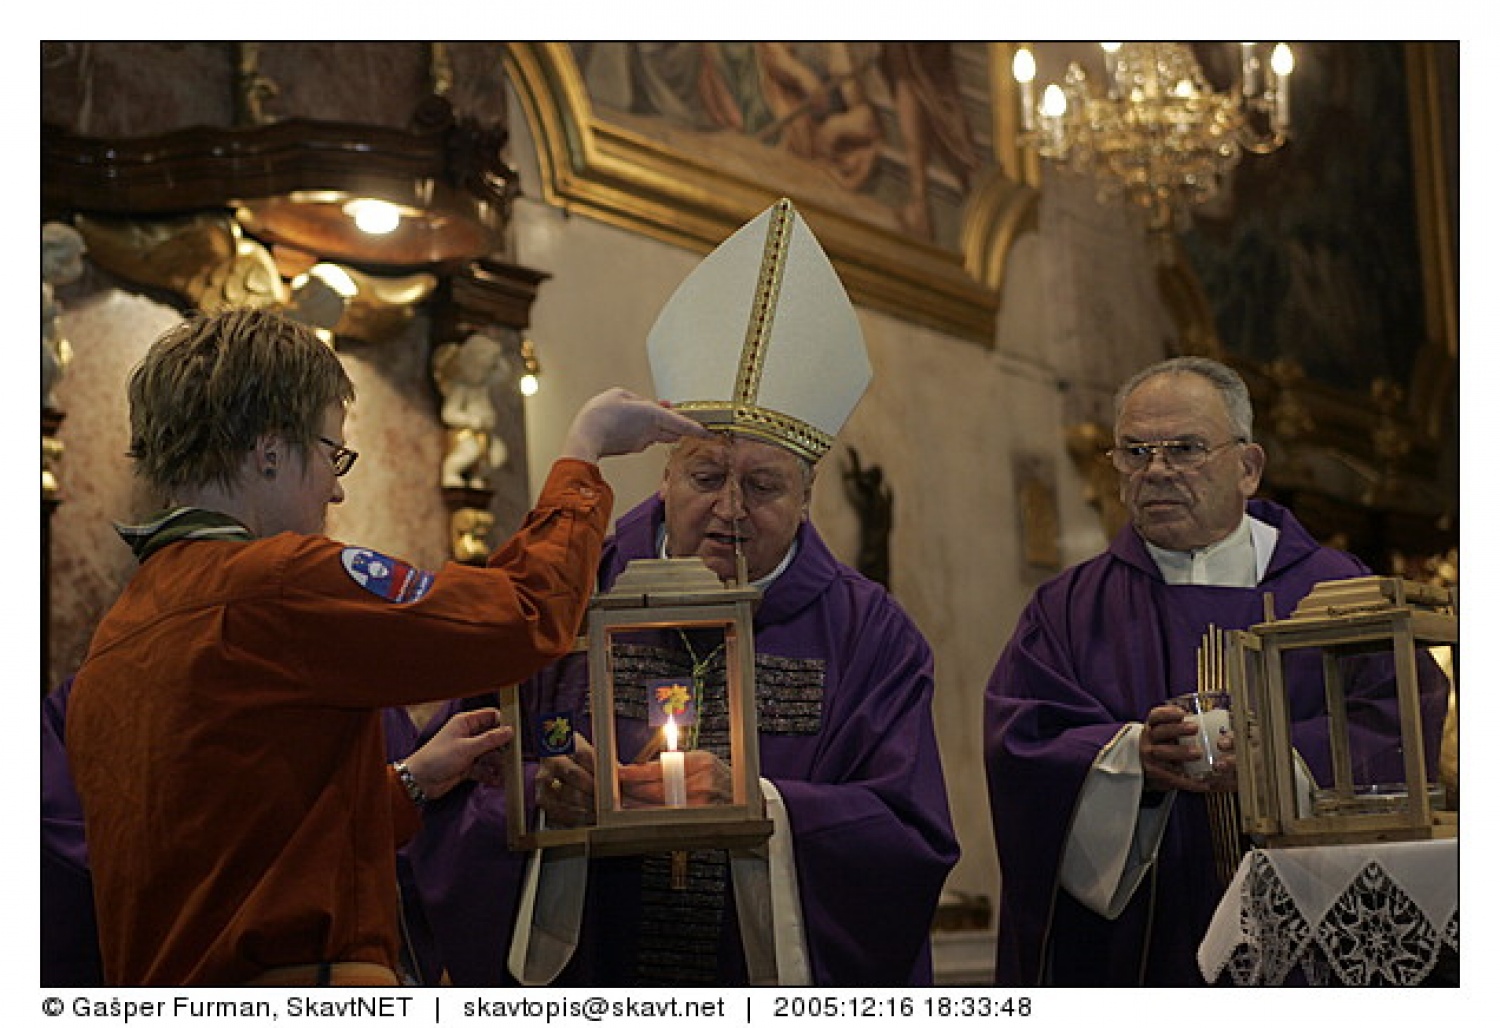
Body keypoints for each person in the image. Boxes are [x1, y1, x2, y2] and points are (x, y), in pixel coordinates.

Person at [62, 305, 706, 986]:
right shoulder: (276, 583)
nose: (336, 487)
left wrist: (414, 781)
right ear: (271, 450)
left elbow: (239, 847)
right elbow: (523, 615)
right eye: (330, 453)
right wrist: (583, 451)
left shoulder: (114, 639)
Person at [406, 199, 957, 987]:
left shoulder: (870, 635)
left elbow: (908, 838)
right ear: (664, 477)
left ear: (809, 494)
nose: (730, 509)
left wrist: (759, 802)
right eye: (705, 476)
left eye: (763, 485)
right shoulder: (564, 588)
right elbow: (456, 774)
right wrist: (546, 797)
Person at [982, 355, 1449, 986]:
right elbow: (1023, 746)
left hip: (1310, 937)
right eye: (1135, 451)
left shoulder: (1341, 590)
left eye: (1185, 448)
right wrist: (1131, 759)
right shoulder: (1066, 611)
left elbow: (1398, 720)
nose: (1156, 471)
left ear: (1248, 467)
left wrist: (1276, 766)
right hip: (1139, 950)